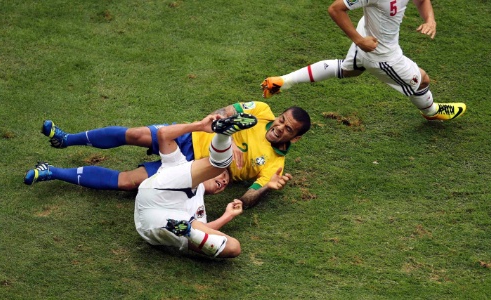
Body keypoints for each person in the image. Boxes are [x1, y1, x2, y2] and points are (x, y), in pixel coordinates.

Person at [24, 101, 311, 208]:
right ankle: (66, 139)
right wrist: (225, 133)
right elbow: (226, 111)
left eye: (287, 129)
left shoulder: (275, 164)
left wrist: (267, 188)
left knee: (129, 182)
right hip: (190, 136)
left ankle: (51, 171)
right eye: (282, 120)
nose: (279, 127)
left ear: (295, 138)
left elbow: (247, 198)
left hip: (193, 168)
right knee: (134, 134)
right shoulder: (261, 111)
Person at [261, 0, 466, 121]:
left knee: (349, 70)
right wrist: (359, 41)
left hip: (369, 35)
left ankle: (283, 81)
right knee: (422, 79)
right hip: (382, 55)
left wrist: (430, 20)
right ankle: (431, 111)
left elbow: (422, 0)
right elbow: (335, 8)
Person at [134, 112, 256, 258]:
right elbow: (163, 134)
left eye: (226, 184)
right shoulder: (179, 162)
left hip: (155, 224)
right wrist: (200, 126)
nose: (224, 182)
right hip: (156, 196)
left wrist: (228, 215)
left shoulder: (200, 210)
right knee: (218, 165)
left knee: (233, 247)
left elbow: (206, 230)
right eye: (224, 177)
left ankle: (188, 232)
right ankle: (223, 135)